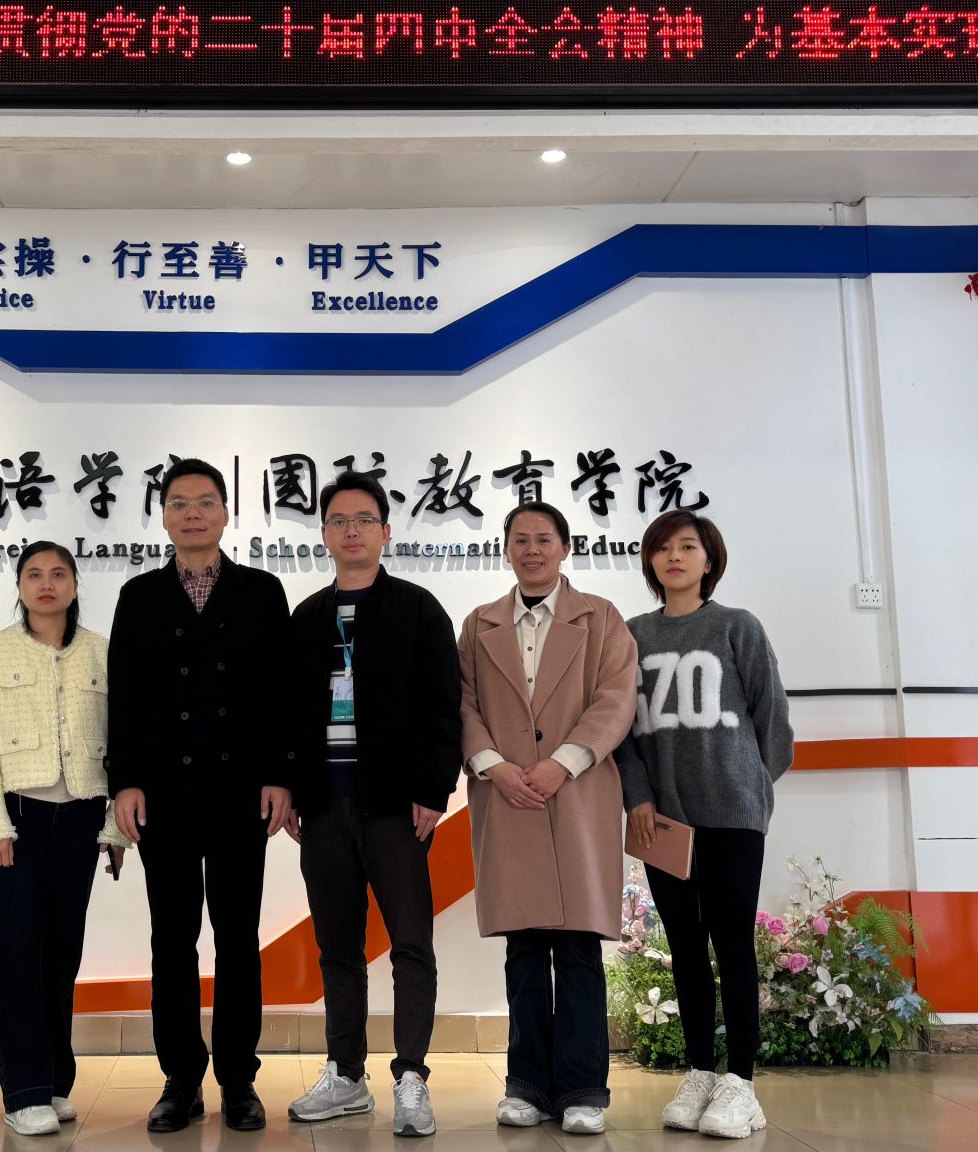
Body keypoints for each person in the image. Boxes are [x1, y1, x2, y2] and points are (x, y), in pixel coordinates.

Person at [105, 458, 299, 1133]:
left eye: (206, 501)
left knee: (238, 938)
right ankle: (180, 1079)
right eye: (180, 502)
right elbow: (124, 697)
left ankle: (239, 1079)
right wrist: (125, 781)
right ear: (163, 516)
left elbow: (281, 692)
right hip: (163, 796)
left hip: (243, 793)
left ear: (225, 514)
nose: (193, 513)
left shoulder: (261, 590)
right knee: (172, 939)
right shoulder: (138, 595)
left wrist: (281, 775)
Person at [285, 472, 462, 1139]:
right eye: (339, 520)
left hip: (395, 809)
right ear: (324, 534)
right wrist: (292, 790)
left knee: (411, 944)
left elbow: (444, 709)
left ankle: (412, 1077)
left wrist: (433, 792)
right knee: (338, 947)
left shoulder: (419, 610)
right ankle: (346, 1075)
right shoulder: (306, 619)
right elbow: (284, 717)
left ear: (386, 531)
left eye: (364, 519)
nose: (351, 530)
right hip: (324, 808)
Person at [457, 501, 637, 1137]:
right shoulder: (479, 623)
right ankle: (526, 1085)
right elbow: (463, 703)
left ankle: (585, 1089)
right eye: (520, 540)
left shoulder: (601, 618)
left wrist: (563, 763)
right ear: (505, 549)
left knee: (579, 947)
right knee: (525, 947)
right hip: (507, 796)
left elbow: (616, 699)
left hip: (578, 793)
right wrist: (493, 766)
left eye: (543, 539)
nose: (531, 550)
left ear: (564, 548)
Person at [617, 511, 795, 1141]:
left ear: (709, 559)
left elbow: (773, 719)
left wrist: (751, 786)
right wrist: (638, 797)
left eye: (688, 546)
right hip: (664, 822)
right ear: (650, 560)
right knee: (685, 949)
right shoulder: (631, 636)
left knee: (732, 944)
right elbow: (621, 732)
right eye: (663, 547)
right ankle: (698, 1072)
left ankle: (741, 1083)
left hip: (733, 818)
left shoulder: (737, 626)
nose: (675, 556)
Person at [0, 541, 131, 1137]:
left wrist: (114, 828)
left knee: (62, 952)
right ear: (18, 586)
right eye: (34, 574)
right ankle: (24, 1090)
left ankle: (56, 1081)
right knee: (18, 955)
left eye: (59, 574)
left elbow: (124, 741)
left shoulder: (101, 651)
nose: (46, 583)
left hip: (82, 815)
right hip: (20, 815)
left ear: (75, 585)